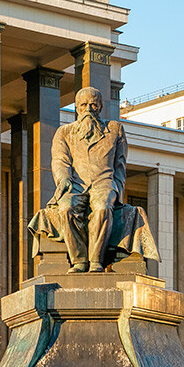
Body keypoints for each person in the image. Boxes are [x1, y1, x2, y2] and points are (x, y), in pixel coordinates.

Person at [45, 86, 127, 272]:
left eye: (93, 105)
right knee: (66, 208)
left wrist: (118, 192)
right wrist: (63, 179)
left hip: (103, 183)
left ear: (100, 107)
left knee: (102, 207)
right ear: (76, 108)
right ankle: (79, 260)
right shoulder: (64, 132)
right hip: (76, 185)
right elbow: (60, 161)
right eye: (83, 105)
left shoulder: (115, 130)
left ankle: (96, 260)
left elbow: (120, 165)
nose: (88, 110)